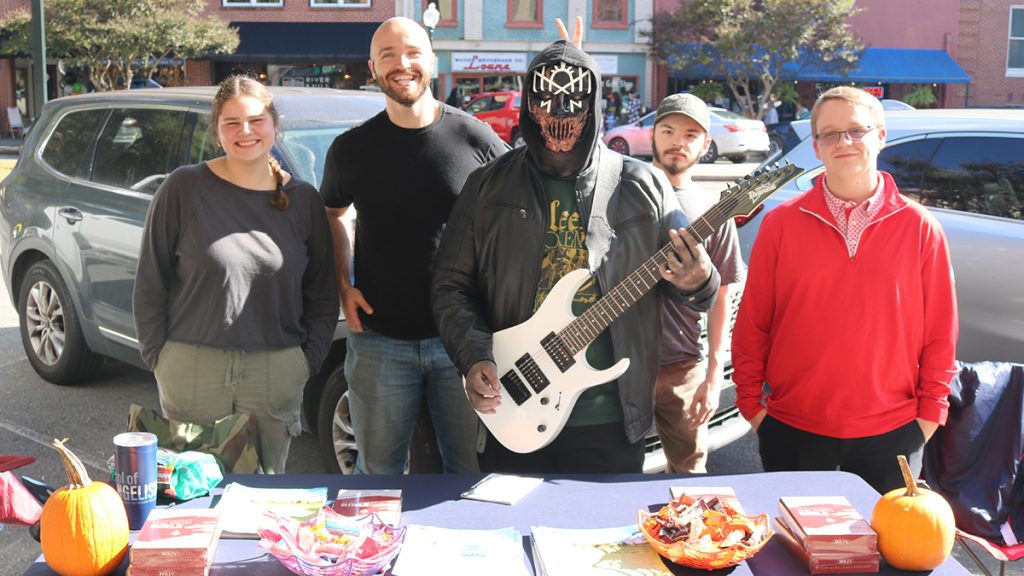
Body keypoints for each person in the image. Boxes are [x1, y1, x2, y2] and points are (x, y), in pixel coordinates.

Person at [431, 25, 721, 474]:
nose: (560, 112)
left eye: (574, 100)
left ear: (595, 104)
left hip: (611, 416)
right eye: (545, 99)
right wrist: (473, 356)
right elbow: (451, 283)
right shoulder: (488, 185)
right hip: (513, 405)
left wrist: (699, 280)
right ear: (528, 103)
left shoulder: (643, 184)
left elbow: (692, 286)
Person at [731, 86, 959, 494]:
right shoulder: (781, 224)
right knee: (792, 536)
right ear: (816, 147)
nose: (844, 142)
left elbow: (940, 333)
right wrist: (751, 405)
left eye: (857, 130)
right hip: (792, 428)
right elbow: (753, 321)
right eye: (830, 134)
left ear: (881, 136)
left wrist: (929, 417)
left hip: (893, 431)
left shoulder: (920, 227)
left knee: (885, 538)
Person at [319, 17, 507, 475]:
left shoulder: (475, 138)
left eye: (412, 53)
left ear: (432, 62)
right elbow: (333, 214)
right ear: (373, 68)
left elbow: (524, 205)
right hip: (379, 340)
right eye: (388, 55)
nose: (401, 64)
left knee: (468, 473)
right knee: (377, 475)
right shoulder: (350, 149)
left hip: (463, 343)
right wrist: (343, 285)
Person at [133, 75, 339, 474]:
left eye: (256, 120)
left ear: (274, 125)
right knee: (193, 492)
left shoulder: (302, 200)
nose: (245, 131)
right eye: (232, 123)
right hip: (193, 367)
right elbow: (150, 282)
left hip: (275, 369)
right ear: (217, 131)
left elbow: (321, 292)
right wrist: (160, 358)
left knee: (264, 494)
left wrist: (305, 362)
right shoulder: (183, 188)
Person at [650, 94, 745, 474]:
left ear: (705, 144)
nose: (678, 141)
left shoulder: (714, 212)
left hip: (683, 365)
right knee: (611, 477)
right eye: (668, 131)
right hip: (620, 366)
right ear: (653, 134)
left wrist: (713, 375)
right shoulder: (620, 196)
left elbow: (722, 298)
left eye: (690, 135)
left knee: (690, 477)